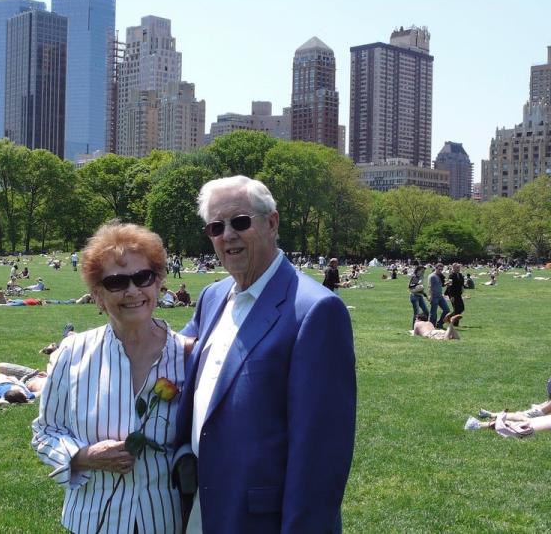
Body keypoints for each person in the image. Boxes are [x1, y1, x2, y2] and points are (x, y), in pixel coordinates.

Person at [174, 176, 355, 533]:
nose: (228, 235)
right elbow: (167, 355)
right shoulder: (213, 297)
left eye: (240, 222)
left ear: (271, 223)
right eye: (216, 226)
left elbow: (320, 456)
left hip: (261, 520)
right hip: (201, 508)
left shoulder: (316, 311)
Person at [32, 222, 189, 534]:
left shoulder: (188, 355)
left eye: (143, 277)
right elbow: (45, 432)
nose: (132, 291)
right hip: (92, 520)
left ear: (158, 284)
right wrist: (83, 456)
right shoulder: (72, 353)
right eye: (116, 282)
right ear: (98, 296)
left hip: (165, 521)